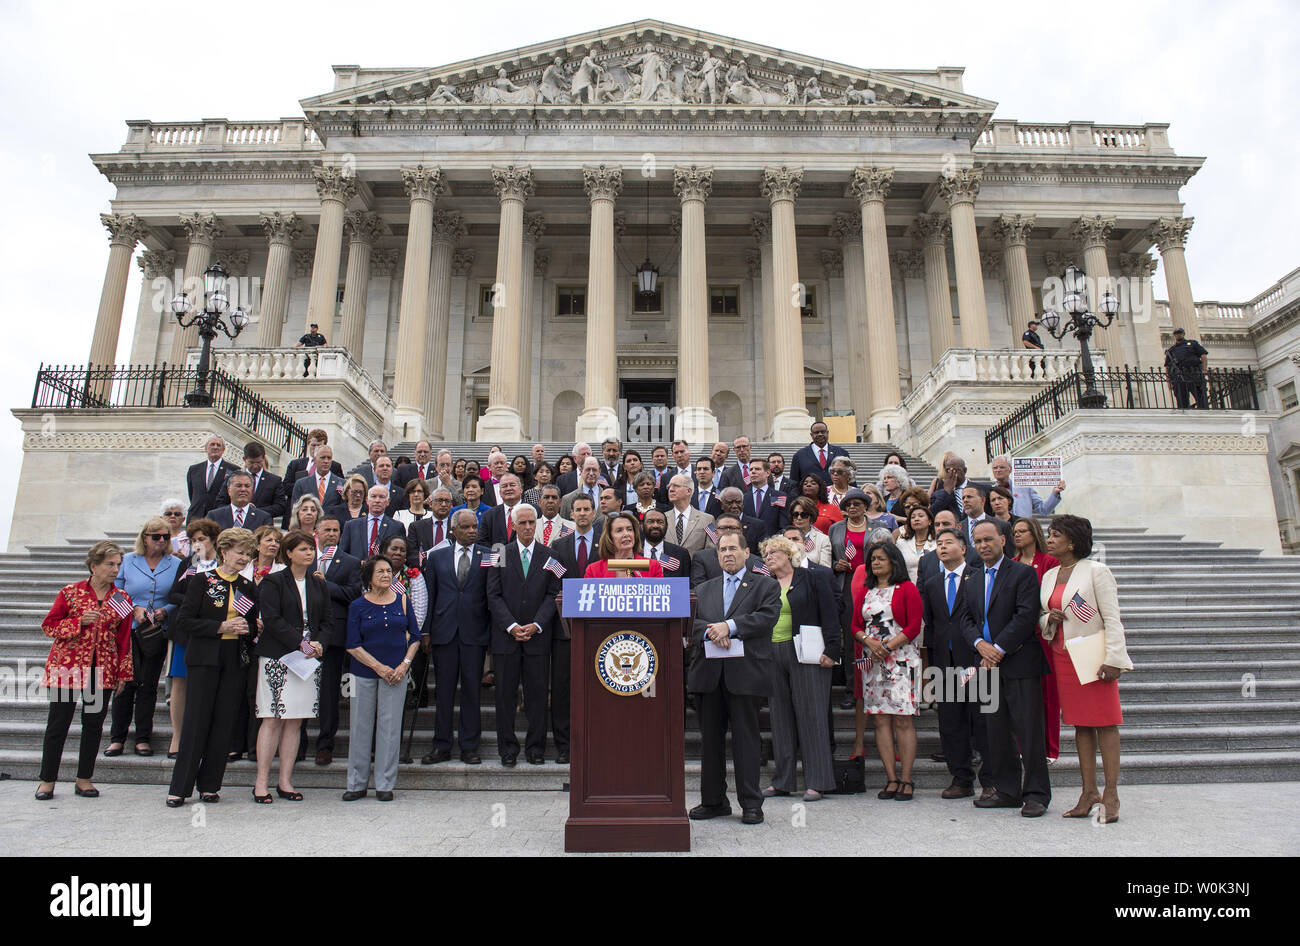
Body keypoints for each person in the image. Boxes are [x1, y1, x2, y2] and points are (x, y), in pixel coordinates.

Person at [1041, 515, 1132, 823]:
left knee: (1105, 724)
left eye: (1055, 535)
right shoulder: (1049, 575)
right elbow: (1042, 616)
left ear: (1073, 541)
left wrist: (1114, 658)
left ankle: (1111, 795)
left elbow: (1112, 618)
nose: (1049, 539)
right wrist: (1047, 620)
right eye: (1049, 534)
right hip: (1062, 656)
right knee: (1080, 725)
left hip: (1094, 656)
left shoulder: (1097, 571)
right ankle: (1088, 791)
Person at [688, 531, 780, 825]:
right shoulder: (704, 590)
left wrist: (730, 626)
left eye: (732, 549)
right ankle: (714, 801)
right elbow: (690, 624)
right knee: (710, 742)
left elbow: (766, 618)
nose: (727, 554)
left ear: (746, 552)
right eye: (722, 550)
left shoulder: (765, 585)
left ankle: (751, 803)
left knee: (747, 741)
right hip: (709, 676)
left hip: (746, 675)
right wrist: (712, 631)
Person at [959, 520, 1049, 817]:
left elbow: (1025, 616)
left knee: (1029, 731)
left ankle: (1036, 794)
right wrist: (979, 645)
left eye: (988, 539)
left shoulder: (1022, 573)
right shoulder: (970, 577)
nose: (983, 545)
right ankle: (1008, 790)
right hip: (985, 664)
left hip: (1020, 663)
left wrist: (996, 649)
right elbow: (965, 619)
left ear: (1002, 539)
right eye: (978, 541)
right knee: (995, 732)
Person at [166, 528, 258, 807]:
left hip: (234, 658)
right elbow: (184, 620)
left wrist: (248, 628)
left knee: (223, 722)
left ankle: (210, 785)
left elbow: (252, 624)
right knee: (196, 721)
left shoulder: (248, 586)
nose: (244, 558)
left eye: (248, 553)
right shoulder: (202, 580)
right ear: (224, 551)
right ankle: (180, 787)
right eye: (240, 552)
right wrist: (220, 626)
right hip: (204, 657)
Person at [36, 541, 133, 800]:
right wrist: (77, 623)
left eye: (118, 565)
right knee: (58, 724)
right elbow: (49, 626)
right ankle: (47, 781)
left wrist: (123, 672)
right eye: (110, 564)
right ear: (94, 566)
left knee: (93, 725)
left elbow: (124, 639)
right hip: (67, 668)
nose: (115, 569)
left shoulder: (122, 598)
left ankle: (84, 779)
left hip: (102, 670)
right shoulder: (70, 592)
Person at [251, 530, 330, 802]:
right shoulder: (273, 582)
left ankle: (285, 780)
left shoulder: (319, 584)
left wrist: (319, 644)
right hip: (278, 656)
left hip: (307, 661)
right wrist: (301, 643)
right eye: (303, 549)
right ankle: (261, 782)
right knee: (272, 719)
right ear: (289, 553)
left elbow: (327, 622)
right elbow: (271, 619)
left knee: (295, 721)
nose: (309, 553)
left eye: (311, 549)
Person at [759, 535, 838, 802]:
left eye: (773, 552)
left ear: (788, 553)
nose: (769, 557)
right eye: (766, 554)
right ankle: (783, 781)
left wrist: (832, 650)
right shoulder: (767, 585)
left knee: (812, 716)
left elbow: (830, 612)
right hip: (773, 651)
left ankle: (818, 781)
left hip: (807, 652)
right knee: (779, 718)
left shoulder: (812, 578)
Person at [918, 528, 993, 799]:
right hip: (944, 661)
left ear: (964, 549)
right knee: (951, 723)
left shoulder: (979, 577)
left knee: (983, 721)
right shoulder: (932, 583)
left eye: (949, 543)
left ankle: (990, 780)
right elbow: (932, 622)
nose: (943, 547)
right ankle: (961, 779)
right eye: (939, 543)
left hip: (976, 659)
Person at [486, 504, 562, 766]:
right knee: (505, 696)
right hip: (506, 638)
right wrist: (511, 625)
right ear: (514, 526)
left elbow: (555, 593)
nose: (528, 527)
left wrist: (537, 624)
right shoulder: (500, 554)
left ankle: (535, 749)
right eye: (524, 523)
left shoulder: (551, 555)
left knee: (537, 695)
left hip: (538, 638)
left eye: (532, 522)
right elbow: (492, 594)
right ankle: (507, 749)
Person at [850, 540, 923, 799]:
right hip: (872, 661)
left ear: (894, 561)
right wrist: (869, 642)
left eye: (881, 558)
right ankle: (891, 778)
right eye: (873, 559)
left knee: (903, 719)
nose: (876, 563)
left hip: (901, 659)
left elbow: (914, 625)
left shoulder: (906, 588)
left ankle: (906, 779)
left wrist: (888, 646)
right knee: (880, 719)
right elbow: (855, 625)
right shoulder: (866, 591)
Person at [344, 554, 420, 801]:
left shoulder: (404, 601)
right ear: (369, 577)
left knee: (390, 729)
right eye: (381, 572)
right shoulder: (357, 605)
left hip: (396, 675)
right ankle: (356, 783)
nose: (387, 575)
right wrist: (379, 668)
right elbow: (352, 645)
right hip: (362, 673)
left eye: (389, 571)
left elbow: (415, 637)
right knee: (359, 727)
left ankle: (385, 783)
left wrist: (404, 666)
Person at [105, 518, 181, 758]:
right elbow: (113, 593)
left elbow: (179, 596)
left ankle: (143, 738)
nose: (161, 541)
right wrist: (132, 608)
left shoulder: (176, 563)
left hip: (157, 631)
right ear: (145, 537)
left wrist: (165, 611)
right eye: (156, 536)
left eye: (165, 537)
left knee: (148, 685)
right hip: (130, 630)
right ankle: (117, 737)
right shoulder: (127, 561)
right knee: (126, 683)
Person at [420, 509, 491, 765]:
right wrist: (426, 631)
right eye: (467, 527)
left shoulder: (489, 555)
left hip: (475, 633)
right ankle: (441, 745)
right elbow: (430, 595)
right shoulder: (436, 557)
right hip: (444, 633)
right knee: (445, 692)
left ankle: (470, 746)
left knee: (472, 691)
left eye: (475, 526)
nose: (473, 531)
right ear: (454, 529)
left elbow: (492, 595)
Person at [309, 515, 363, 766]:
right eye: (326, 529)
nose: (331, 534)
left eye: (335, 530)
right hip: (304, 635)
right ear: (316, 532)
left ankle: (325, 743)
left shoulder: (350, 562)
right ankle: (299, 743)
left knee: (330, 691)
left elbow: (353, 593)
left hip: (335, 636)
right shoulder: (304, 559)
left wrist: (324, 585)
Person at [166, 518, 220, 759]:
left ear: (213, 540)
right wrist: (194, 602)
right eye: (194, 540)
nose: (198, 543)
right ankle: (177, 736)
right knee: (180, 681)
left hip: (215, 630)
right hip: (186, 631)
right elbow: (174, 594)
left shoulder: (223, 563)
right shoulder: (188, 564)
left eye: (202, 539)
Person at [1011, 516, 1062, 764]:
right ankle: (1024, 747)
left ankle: (1050, 749)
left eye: (1023, 531)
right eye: (1015, 531)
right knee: (1024, 698)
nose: (1017, 535)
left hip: (1045, 635)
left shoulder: (1050, 562)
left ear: (1034, 534)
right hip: (1021, 637)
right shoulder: (1013, 563)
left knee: (1048, 694)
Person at [214, 441, 285, 523]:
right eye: (251, 462)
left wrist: (254, 511)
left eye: (259, 462)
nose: (255, 466)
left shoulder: (274, 481)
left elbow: (280, 507)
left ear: (263, 459)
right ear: (244, 459)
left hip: (261, 526)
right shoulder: (232, 478)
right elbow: (220, 503)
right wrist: (238, 509)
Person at [990, 455, 1065, 519]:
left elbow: (1044, 510)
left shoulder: (1025, 488)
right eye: (995, 468)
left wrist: (1055, 493)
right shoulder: (990, 491)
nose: (998, 470)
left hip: (1023, 530)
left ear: (1010, 469)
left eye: (1002, 467)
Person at [340, 485, 405, 559]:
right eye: (373, 496)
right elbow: (343, 554)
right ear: (367, 500)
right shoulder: (351, 526)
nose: (377, 500)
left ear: (388, 502)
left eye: (381, 497)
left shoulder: (397, 527)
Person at [287, 445, 348, 523]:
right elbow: (295, 508)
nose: (326, 461)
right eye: (322, 457)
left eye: (329, 458)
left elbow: (343, 508)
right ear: (315, 459)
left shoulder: (342, 483)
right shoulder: (301, 484)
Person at [185, 434, 239, 522]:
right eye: (212, 444)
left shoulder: (233, 470)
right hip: (196, 517)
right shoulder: (194, 469)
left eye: (218, 445)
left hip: (219, 518)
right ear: (206, 448)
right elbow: (192, 494)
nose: (215, 447)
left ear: (223, 450)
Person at [790, 420, 849, 486]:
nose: (820, 434)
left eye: (823, 432)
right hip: (809, 495)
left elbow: (849, 478)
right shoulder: (799, 456)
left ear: (827, 433)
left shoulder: (842, 453)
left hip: (836, 495)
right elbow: (794, 482)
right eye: (816, 432)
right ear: (811, 435)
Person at [665, 474, 714, 552]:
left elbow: (711, 551)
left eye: (676, 486)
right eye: (669, 486)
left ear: (689, 491)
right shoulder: (662, 519)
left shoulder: (708, 520)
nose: (671, 489)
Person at [1165, 326, 1209, 408]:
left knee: (1200, 397)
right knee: (1182, 400)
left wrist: (1204, 369)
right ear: (1174, 336)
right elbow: (1167, 366)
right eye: (1176, 334)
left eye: (1180, 333)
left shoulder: (1193, 344)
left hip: (1193, 373)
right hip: (1179, 376)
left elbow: (1203, 355)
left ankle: (1204, 410)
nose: (1178, 335)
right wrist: (1169, 381)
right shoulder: (1171, 350)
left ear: (1183, 334)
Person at [642, 508, 691, 578]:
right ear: (642, 525)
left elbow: (686, 585)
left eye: (660, 522)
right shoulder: (633, 552)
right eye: (650, 521)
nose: (655, 525)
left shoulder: (681, 554)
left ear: (667, 526)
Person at [897, 504, 937, 585]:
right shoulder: (901, 543)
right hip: (909, 587)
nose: (916, 519)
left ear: (929, 521)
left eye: (921, 516)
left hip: (932, 586)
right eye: (913, 517)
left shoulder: (937, 542)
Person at [787, 496, 832, 566]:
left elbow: (825, 569)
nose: (799, 518)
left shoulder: (823, 539)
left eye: (803, 515)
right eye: (795, 515)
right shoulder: (783, 537)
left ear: (811, 516)